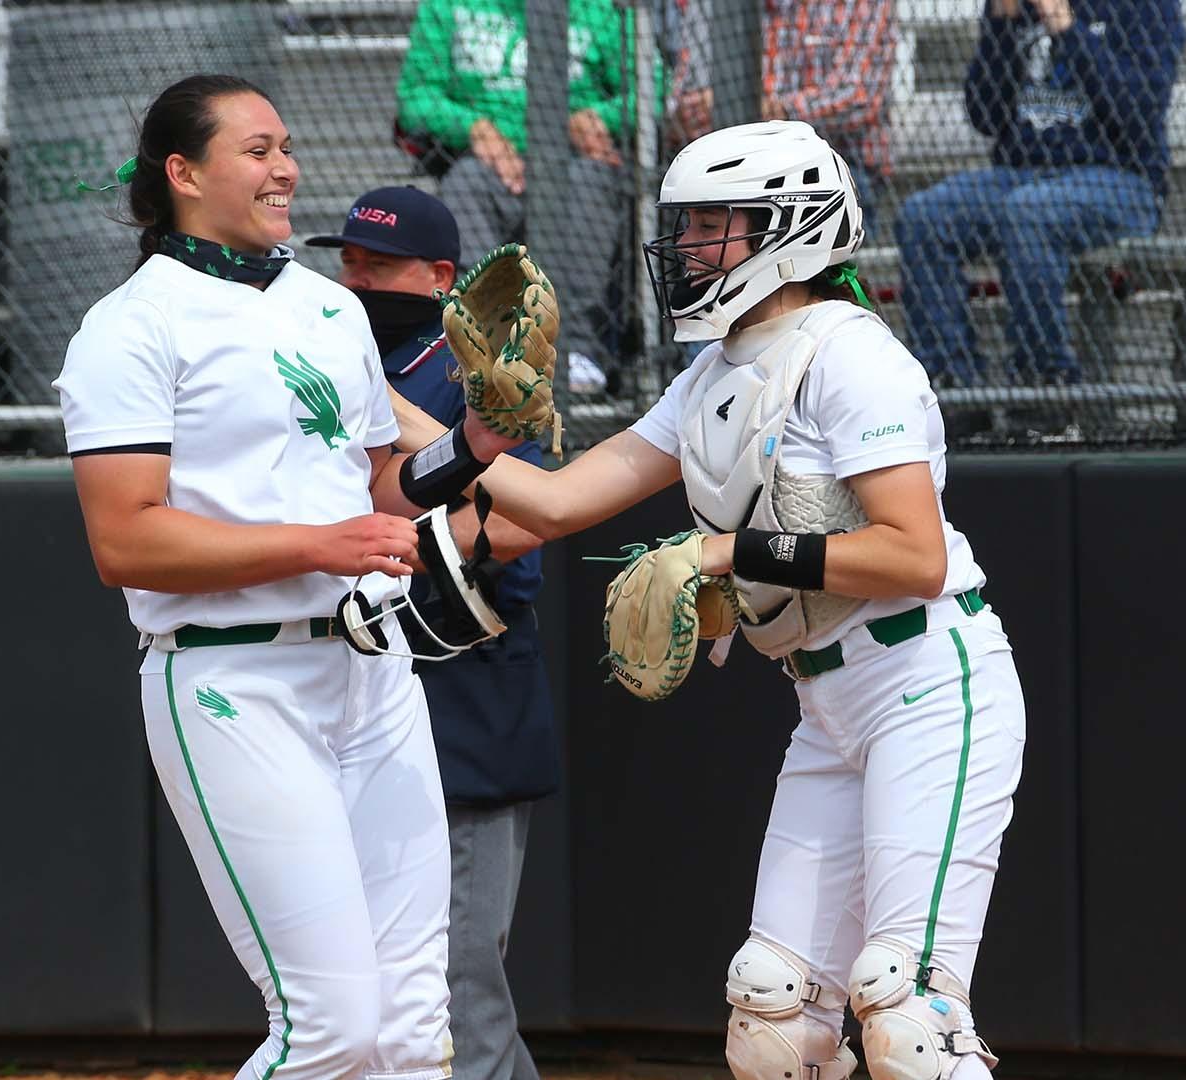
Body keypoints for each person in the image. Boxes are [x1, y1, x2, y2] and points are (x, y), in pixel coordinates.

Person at [396, 120, 1027, 1080]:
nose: (687, 248)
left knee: (907, 1015)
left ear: (791, 228)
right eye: (685, 226)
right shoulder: (710, 372)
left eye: (712, 225)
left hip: (929, 682)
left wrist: (720, 550)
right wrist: (412, 418)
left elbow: (914, 556)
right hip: (825, 705)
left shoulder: (849, 354)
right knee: (774, 1020)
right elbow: (560, 503)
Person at [54, 75, 526, 1080]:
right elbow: (125, 543)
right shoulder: (131, 326)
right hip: (234, 682)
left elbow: (378, 490)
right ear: (183, 173)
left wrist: (474, 445)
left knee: (408, 1031)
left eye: (285, 147)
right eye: (258, 149)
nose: (285, 169)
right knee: (330, 1031)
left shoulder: (324, 305)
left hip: (369, 671)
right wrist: (319, 545)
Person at [307, 184, 560, 1080]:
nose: (355, 278)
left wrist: (383, 545)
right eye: (346, 260)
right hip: (348, 695)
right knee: (362, 988)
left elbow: (520, 542)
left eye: (377, 264)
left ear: (440, 275)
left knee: (456, 984)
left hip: (462, 701)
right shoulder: (324, 364)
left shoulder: (475, 380)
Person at [895, 0, 1185, 386]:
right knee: (922, 218)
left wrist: (1064, 25)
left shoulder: (1147, 6)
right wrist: (1002, 23)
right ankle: (951, 384)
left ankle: (1045, 383)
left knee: (1029, 212)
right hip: (1020, 174)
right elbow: (986, 117)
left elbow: (1139, 111)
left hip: (1121, 179)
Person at [395, 0, 638, 390]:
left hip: (577, 161)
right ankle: (487, 347)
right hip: (490, 167)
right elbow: (415, 98)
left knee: (591, 180)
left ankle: (575, 351)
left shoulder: (596, 7)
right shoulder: (448, 6)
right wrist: (473, 127)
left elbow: (653, 86)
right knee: (466, 182)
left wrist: (599, 117)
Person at [663, 0, 896, 236]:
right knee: (684, 191)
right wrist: (695, 110)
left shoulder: (858, 4)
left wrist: (771, 109)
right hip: (728, 163)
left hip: (829, 164)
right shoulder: (711, 5)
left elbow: (858, 98)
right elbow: (681, 99)